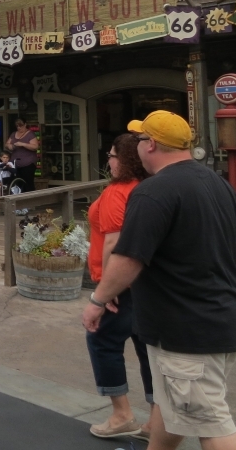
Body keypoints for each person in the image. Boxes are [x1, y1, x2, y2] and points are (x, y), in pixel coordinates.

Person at [83, 111, 236, 450]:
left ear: (151, 145)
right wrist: (230, 295)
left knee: (212, 423)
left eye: (142, 140)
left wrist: (98, 299)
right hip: (213, 319)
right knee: (172, 408)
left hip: (187, 330)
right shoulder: (216, 183)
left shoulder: (154, 191)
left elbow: (128, 257)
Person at [84, 133, 153, 439]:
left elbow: (113, 241)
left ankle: (121, 413)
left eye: (111, 156)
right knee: (146, 346)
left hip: (119, 280)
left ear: (123, 160)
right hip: (146, 280)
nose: (108, 161)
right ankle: (157, 419)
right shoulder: (148, 187)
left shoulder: (118, 191)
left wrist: (105, 289)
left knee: (103, 340)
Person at [5, 117, 39, 192]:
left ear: (25, 125)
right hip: (15, 164)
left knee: (28, 183)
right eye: (17, 126)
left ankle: (29, 199)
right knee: (16, 183)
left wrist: (23, 144)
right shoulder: (14, 134)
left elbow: (35, 147)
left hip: (28, 164)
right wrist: (9, 146)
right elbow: (7, 144)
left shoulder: (30, 134)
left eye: (21, 126)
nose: (19, 128)